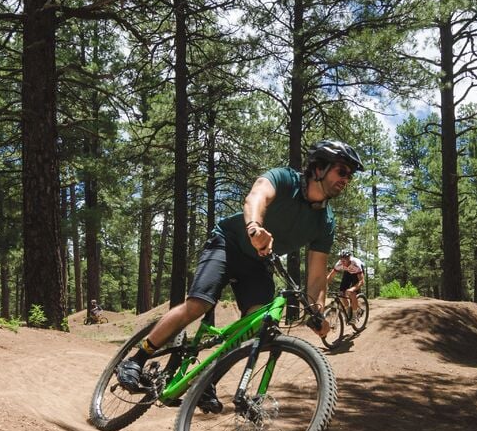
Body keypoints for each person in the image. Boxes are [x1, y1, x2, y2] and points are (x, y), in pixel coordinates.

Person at [116, 139, 365, 412]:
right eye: (342, 171)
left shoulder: (325, 222)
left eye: (350, 176)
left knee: (256, 325)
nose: (346, 179)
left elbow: (317, 277)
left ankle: (205, 382)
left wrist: (317, 312)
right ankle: (137, 359)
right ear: (319, 167)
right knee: (199, 304)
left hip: (258, 263)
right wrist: (255, 228)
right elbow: (256, 196)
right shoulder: (285, 179)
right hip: (229, 243)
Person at [326, 251, 365, 323]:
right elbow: (331, 276)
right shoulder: (339, 263)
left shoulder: (356, 264)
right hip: (348, 272)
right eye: (341, 260)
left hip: (357, 273)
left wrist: (352, 288)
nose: (342, 262)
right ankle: (348, 311)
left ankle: (354, 316)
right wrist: (324, 285)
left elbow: (362, 281)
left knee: (352, 293)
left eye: (344, 260)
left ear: (349, 259)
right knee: (341, 293)